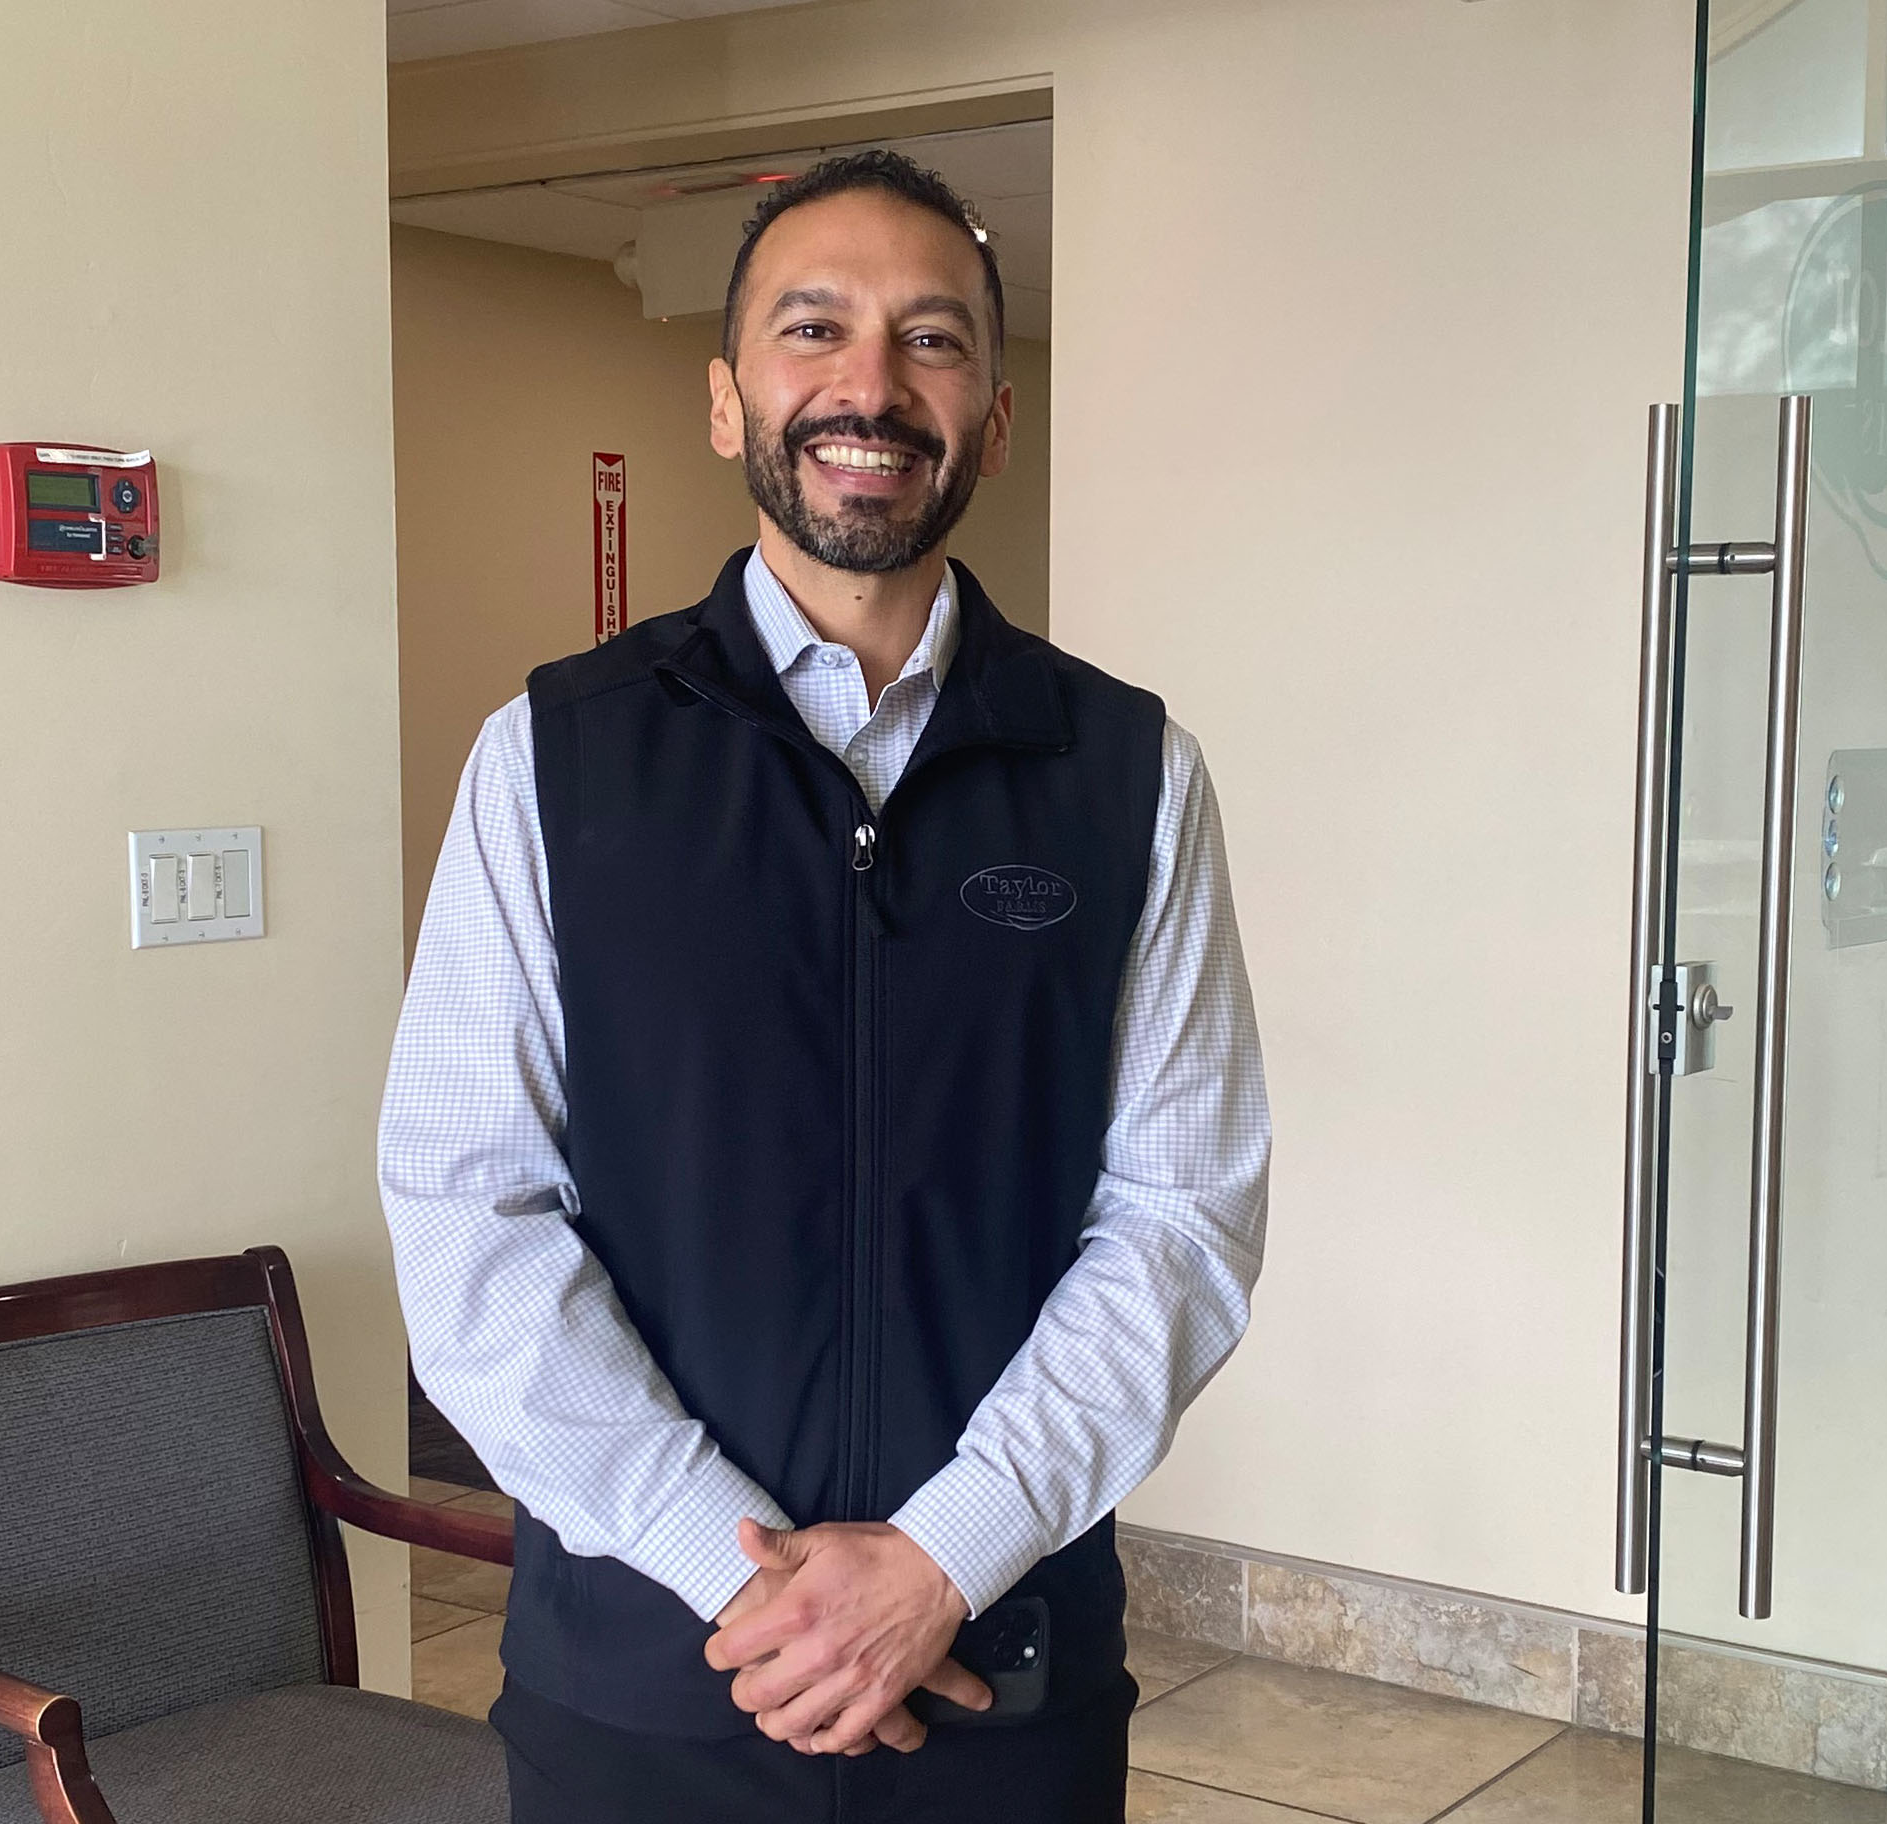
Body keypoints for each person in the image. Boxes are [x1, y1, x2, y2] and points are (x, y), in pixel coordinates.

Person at [378, 149, 1269, 1823]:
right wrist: (744, 1580)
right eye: (814, 328)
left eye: (932, 339)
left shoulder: (1129, 774)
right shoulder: (552, 761)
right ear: (727, 400)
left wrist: (941, 1558)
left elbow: (1181, 1216)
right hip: (653, 1677)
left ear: (995, 418)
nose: (871, 385)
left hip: (997, 1667)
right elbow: (465, 1212)